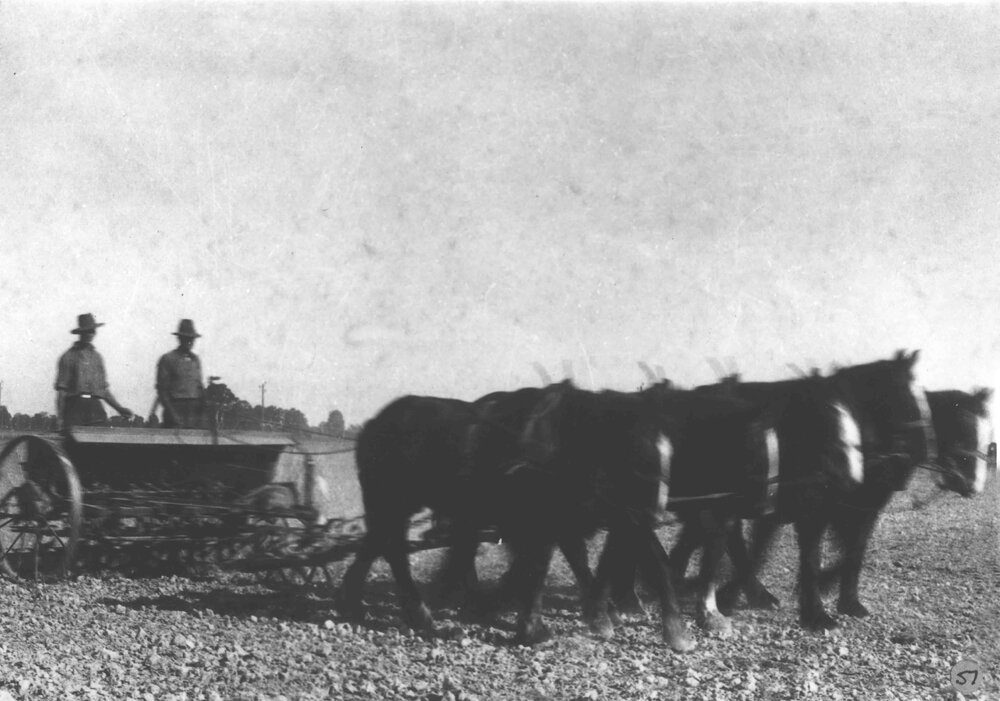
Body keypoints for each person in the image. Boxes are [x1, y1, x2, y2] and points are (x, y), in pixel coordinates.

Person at [55, 313, 134, 430]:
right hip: (75, 408)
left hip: (95, 407)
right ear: (80, 333)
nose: (90, 334)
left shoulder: (97, 358)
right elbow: (62, 391)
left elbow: (104, 390)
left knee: (100, 441)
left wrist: (119, 409)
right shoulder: (68, 357)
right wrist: (60, 418)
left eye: (92, 331)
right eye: (87, 331)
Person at [156, 319, 206, 428]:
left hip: (194, 412)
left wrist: (202, 416)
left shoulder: (195, 360)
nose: (189, 342)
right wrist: (173, 415)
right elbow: (162, 392)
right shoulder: (168, 359)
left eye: (191, 339)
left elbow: (200, 388)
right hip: (175, 409)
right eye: (186, 338)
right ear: (179, 338)